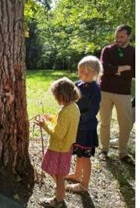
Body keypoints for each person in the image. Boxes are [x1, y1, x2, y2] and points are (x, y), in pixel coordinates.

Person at [37, 78, 81, 208]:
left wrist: (44, 125)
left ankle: (58, 199)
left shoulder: (65, 112)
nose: (56, 99)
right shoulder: (74, 107)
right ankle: (60, 190)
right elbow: (65, 125)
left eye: (56, 96)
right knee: (57, 173)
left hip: (59, 148)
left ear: (62, 95)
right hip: (66, 147)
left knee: (58, 174)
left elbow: (58, 134)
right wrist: (52, 118)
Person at [98, 25, 135, 163]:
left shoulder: (134, 52)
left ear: (129, 36)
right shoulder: (107, 50)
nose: (118, 39)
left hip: (124, 93)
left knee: (125, 123)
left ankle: (123, 153)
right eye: (117, 36)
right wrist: (123, 68)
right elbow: (103, 68)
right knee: (105, 122)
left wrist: (114, 70)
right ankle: (104, 150)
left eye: (122, 37)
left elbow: (134, 72)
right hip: (105, 91)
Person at [65, 56, 101, 194]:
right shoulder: (77, 85)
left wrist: (78, 120)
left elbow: (92, 111)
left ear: (95, 73)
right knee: (79, 153)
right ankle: (76, 175)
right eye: (81, 71)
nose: (83, 74)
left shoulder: (95, 90)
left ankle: (84, 184)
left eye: (87, 72)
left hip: (86, 127)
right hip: (77, 126)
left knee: (85, 156)